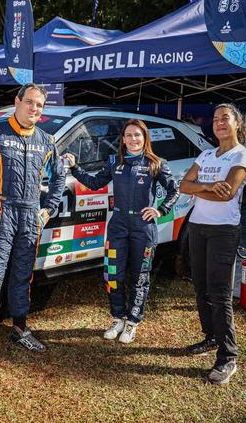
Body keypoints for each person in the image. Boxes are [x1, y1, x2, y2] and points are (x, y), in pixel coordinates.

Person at [0, 83, 65, 371]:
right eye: (29, 102)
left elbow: (59, 178)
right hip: (1, 214)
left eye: (39, 105)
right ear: (17, 101)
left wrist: (48, 210)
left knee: (22, 275)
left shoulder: (47, 140)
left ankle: (20, 328)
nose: (34, 108)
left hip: (30, 215)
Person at [63, 119, 179, 344]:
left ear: (145, 138)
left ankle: (133, 321)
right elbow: (95, 183)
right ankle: (118, 318)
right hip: (117, 226)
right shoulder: (114, 161)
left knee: (140, 277)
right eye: (129, 135)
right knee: (112, 275)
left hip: (143, 229)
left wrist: (160, 209)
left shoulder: (156, 163)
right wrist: (75, 168)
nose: (133, 139)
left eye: (138, 135)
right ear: (123, 139)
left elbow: (175, 189)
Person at [179, 103, 246, 385]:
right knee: (201, 288)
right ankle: (211, 337)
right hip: (197, 228)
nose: (219, 123)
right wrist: (210, 186)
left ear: (237, 123)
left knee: (220, 294)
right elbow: (184, 186)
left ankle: (228, 357)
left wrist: (202, 187)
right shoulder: (207, 153)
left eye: (225, 118)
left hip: (223, 231)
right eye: (215, 119)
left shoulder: (241, 155)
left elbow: (228, 194)